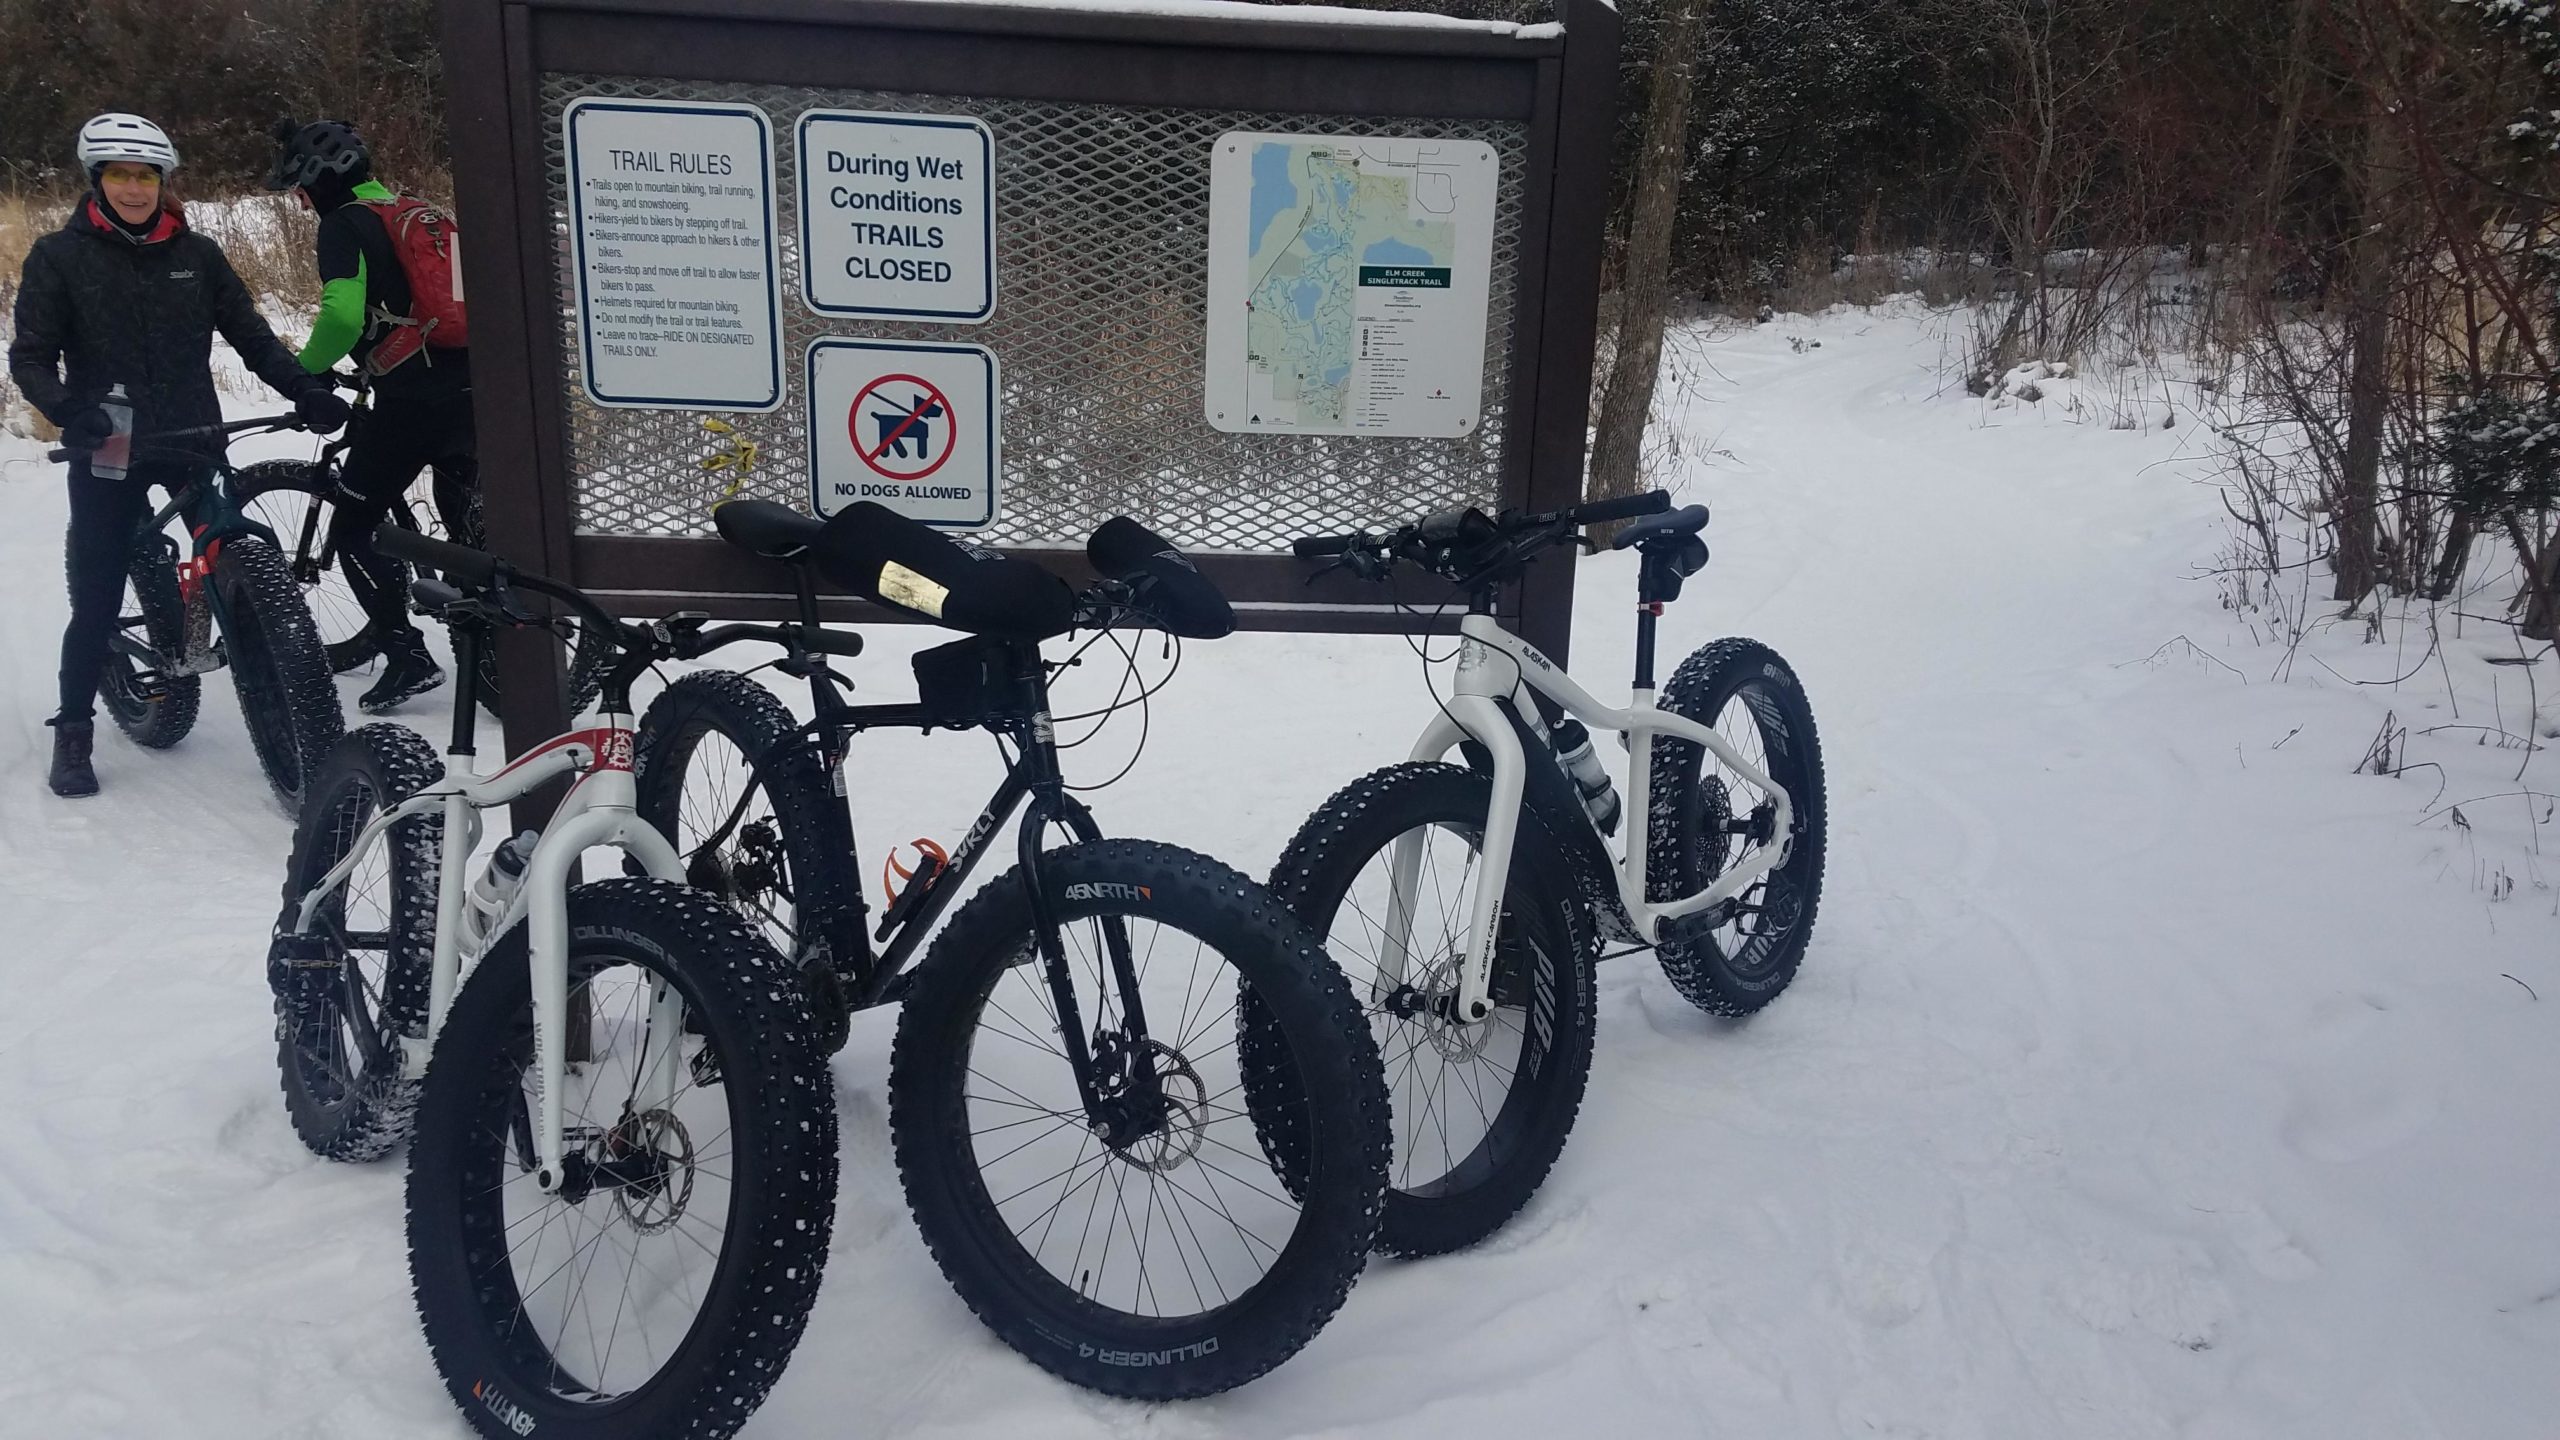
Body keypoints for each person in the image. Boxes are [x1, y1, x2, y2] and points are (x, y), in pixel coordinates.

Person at [8, 113, 350, 798]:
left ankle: (272, 689)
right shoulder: (59, 257)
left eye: (145, 176)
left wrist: (306, 389)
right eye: (119, 175)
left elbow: (252, 336)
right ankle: (75, 727)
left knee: (237, 554)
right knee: (100, 594)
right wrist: (75, 412)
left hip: (194, 433)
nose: (134, 189)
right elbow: (32, 358)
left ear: (162, 184)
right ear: (96, 180)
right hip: (109, 442)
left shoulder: (198, 256)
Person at [269, 117, 475, 714]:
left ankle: (406, 655)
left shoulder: (344, 226)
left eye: (300, 190)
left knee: (354, 528)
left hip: (413, 399)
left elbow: (340, 317)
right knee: (469, 526)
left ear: (318, 180)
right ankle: (495, 658)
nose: (301, 202)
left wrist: (303, 371)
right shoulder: (417, 211)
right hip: (473, 388)